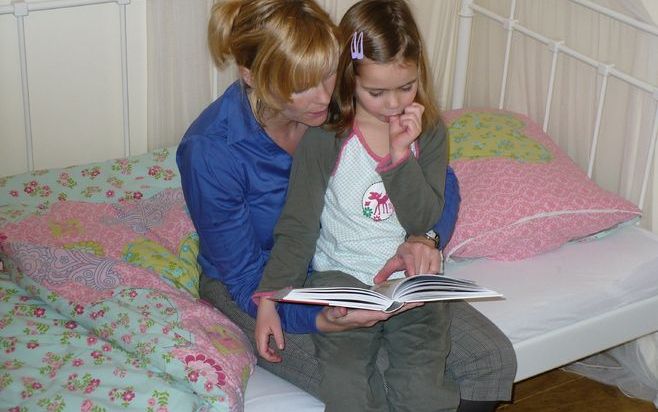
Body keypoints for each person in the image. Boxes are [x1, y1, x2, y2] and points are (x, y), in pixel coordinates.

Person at [176, 1, 516, 411]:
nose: (323, 97)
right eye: (301, 85)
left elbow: (442, 181)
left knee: (489, 357)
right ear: (252, 76)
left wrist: (423, 237)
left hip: (369, 266)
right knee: (369, 385)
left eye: (327, 73)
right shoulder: (210, 152)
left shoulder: (348, 108)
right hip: (262, 280)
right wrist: (320, 316)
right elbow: (253, 271)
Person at [253, 1, 460, 410]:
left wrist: (400, 158)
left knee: (425, 390)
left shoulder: (429, 132)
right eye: (376, 92)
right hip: (341, 277)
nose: (393, 104)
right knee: (347, 388)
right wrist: (269, 299)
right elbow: (298, 225)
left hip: (409, 281)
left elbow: (423, 219)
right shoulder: (325, 139)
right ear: (350, 79)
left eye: (407, 86)